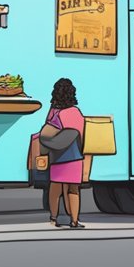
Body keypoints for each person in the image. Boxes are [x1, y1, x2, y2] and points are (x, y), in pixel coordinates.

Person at [43, 78, 86, 228]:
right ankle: (74, 220)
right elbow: (80, 134)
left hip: (56, 154)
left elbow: (47, 133)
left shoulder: (53, 112)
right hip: (73, 155)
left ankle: (54, 218)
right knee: (73, 188)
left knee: (55, 186)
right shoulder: (75, 112)